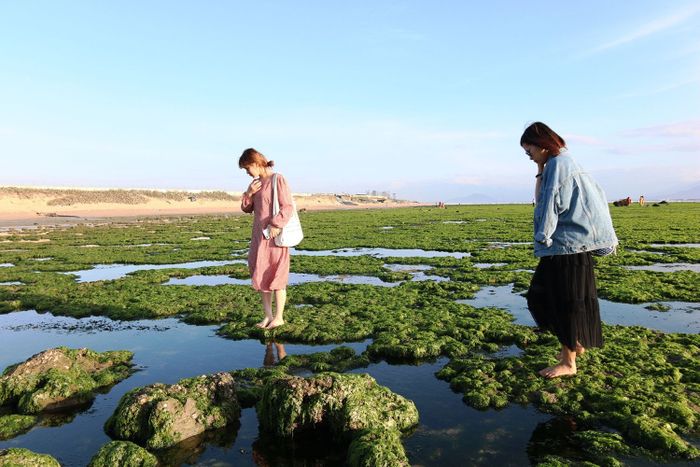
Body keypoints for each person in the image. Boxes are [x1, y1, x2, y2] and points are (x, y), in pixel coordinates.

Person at [521, 122, 618, 378]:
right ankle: (574, 345)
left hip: (566, 246)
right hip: (572, 244)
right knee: (559, 299)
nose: (528, 156)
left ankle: (568, 362)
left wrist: (542, 238)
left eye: (529, 150)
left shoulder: (559, 165)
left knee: (559, 302)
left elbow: (548, 203)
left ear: (541, 144)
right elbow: (543, 197)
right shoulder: (559, 163)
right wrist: (540, 167)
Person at [239, 148, 295, 330]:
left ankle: (279, 317)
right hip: (259, 237)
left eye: (247, 168)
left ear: (256, 163)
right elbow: (247, 209)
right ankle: (268, 316)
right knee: (260, 273)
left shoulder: (277, 179)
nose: (247, 173)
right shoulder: (256, 184)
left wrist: (276, 224)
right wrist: (248, 193)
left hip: (274, 236)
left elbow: (287, 207)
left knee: (277, 275)